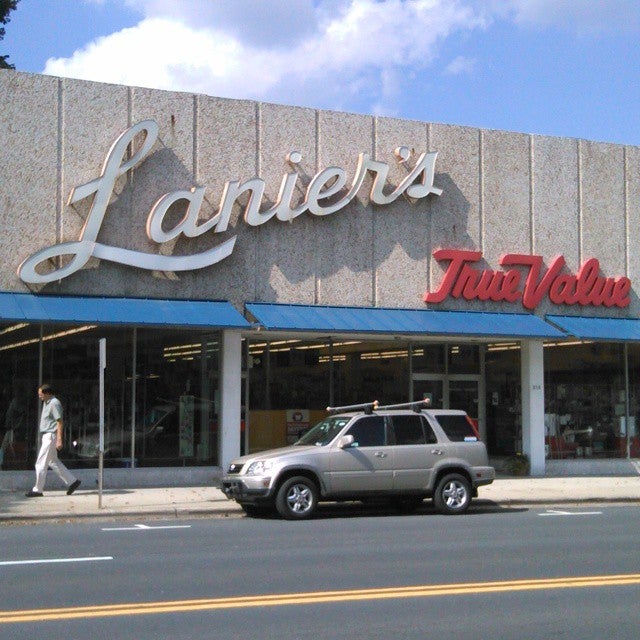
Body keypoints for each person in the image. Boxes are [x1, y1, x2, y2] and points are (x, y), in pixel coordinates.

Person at [25, 384, 81, 497]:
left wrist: (59, 439)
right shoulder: (47, 402)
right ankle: (72, 481)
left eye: (41, 394)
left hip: (50, 436)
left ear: (47, 393)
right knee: (53, 461)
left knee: (40, 463)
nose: (40, 396)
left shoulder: (54, 403)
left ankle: (38, 489)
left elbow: (59, 422)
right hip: (47, 436)